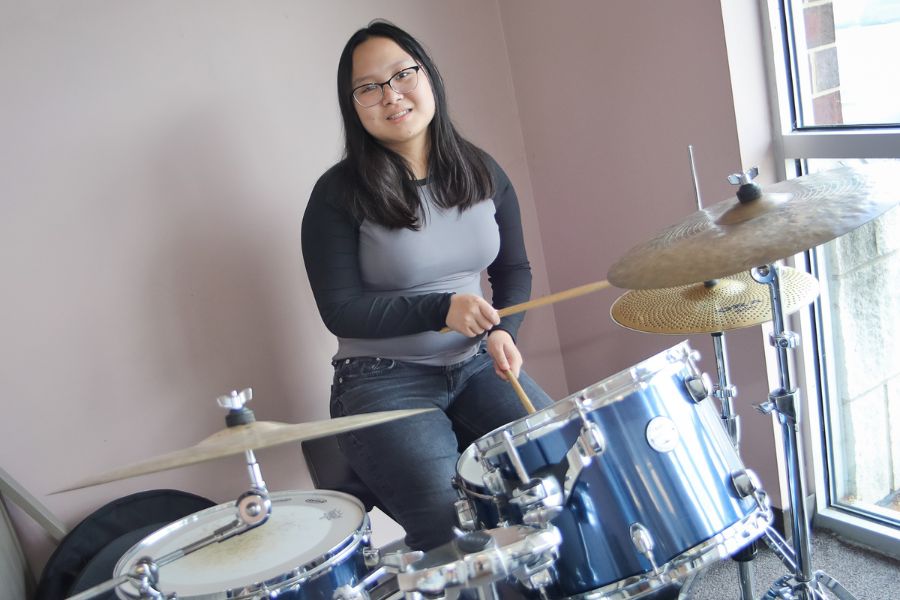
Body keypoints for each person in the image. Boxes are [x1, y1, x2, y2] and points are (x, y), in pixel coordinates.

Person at [301, 20, 552, 552]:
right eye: (369, 87)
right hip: (381, 380)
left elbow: (514, 271)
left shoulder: (481, 169)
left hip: (477, 362)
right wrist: (441, 308)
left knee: (560, 463)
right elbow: (340, 310)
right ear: (353, 106)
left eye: (401, 75)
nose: (391, 95)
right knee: (454, 524)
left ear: (428, 76)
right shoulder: (336, 194)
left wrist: (504, 331)